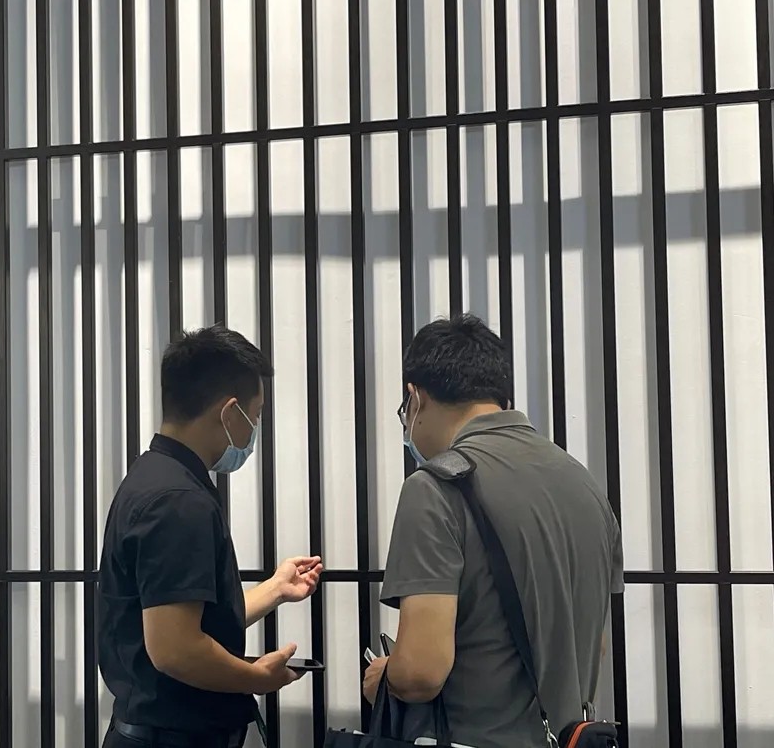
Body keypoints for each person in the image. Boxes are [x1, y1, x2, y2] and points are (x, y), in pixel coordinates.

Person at [363, 314, 623, 748]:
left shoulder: (435, 488)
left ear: (415, 398)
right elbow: (591, 644)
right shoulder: (585, 486)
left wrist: (384, 677)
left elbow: (420, 673)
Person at [98, 324, 323, 748]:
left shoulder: (155, 476)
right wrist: (256, 678)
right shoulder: (179, 500)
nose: (256, 427)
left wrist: (276, 588)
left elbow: (187, 616)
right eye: (256, 414)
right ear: (230, 412)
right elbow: (176, 649)